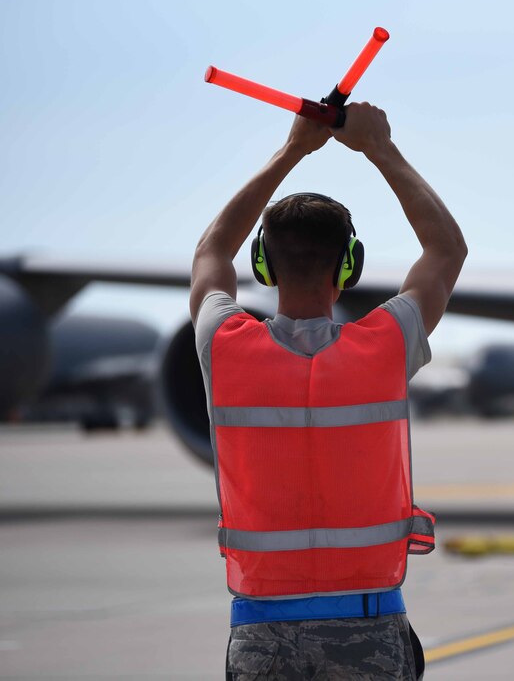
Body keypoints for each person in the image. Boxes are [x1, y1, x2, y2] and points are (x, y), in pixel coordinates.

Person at [189, 103, 467, 680]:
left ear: (263, 265)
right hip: (368, 624)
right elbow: (445, 250)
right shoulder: (384, 345)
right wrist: (378, 148)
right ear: (350, 266)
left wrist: (291, 150)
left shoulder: (226, 346)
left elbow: (211, 255)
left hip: (261, 631)